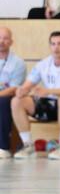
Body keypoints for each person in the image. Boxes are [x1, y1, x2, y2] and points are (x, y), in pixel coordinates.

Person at [11, 31, 60, 160]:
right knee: (17, 101)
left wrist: (49, 91)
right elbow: (27, 85)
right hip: (49, 105)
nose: (56, 47)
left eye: (59, 43)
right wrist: (22, 90)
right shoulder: (43, 64)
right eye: (53, 44)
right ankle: (28, 146)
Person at [0, 27, 27, 159]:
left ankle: (3, 147)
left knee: (3, 102)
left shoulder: (18, 63)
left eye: (5, 38)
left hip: (7, 98)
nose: (1, 41)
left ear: (11, 42)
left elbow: (13, 88)